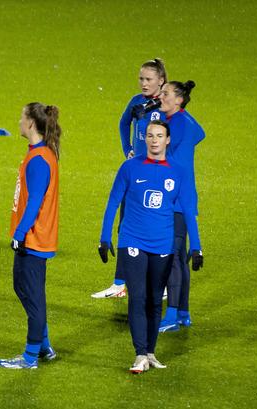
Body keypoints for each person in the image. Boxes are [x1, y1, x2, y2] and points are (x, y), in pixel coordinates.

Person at [98, 121, 203, 373]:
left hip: (162, 243)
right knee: (138, 296)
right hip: (132, 240)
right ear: (144, 139)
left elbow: (188, 211)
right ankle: (139, 354)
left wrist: (197, 246)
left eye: (159, 136)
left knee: (156, 299)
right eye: (149, 136)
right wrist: (104, 237)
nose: (154, 140)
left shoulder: (178, 172)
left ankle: (150, 352)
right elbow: (113, 202)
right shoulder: (130, 168)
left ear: (168, 140)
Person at [92, 58, 168, 299]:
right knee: (125, 224)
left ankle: (163, 285)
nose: (143, 83)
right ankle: (119, 284)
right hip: (134, 171)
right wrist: (127, 149)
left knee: (155, 227)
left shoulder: (165, 107)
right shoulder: (136, 102)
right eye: (141, 79)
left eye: (148, 79)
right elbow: (124, 122)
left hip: (156, 175)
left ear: (161, 81)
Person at [0, 103, 61, 369]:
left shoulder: (39, 160)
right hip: (35, 237)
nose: (19, 122)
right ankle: (43, 345)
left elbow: (34, 201)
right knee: (23, 288)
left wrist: (20, 233)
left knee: (33, 296)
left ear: (31, 124)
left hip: (34, 238)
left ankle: (30, 356)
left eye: (22, 118)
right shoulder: (39, 153)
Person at [157, 80, 205, 332]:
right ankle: (183, 312)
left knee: (173, 258)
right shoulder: (183, 121)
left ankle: (172, 316)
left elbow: (171, 162)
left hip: (176, 200)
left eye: (166, 94)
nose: (161, 96)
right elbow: (201, 133)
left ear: (179, 100)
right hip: (184, 196)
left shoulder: (178, 125)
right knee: (179, 258)